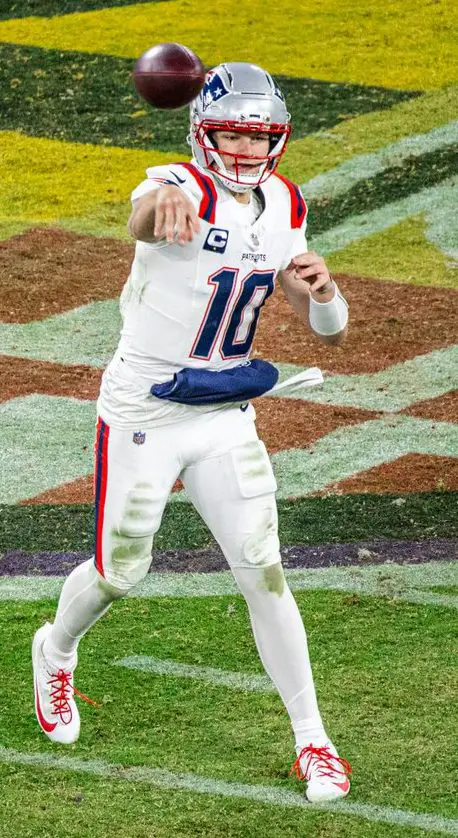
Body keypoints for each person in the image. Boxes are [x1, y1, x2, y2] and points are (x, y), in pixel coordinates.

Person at [32, 62, 351, 803]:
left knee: (263, 569)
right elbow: (145, 214)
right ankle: (55, 650)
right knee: (119, 572)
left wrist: (324, 291)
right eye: (232, 134)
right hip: (146, 410)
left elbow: (328, 332)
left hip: (223, 411)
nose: (245, 149)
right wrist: (163, 201)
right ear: (203, 135)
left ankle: (313, 740)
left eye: (258, 136)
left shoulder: (285, 203)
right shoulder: (178, 183)